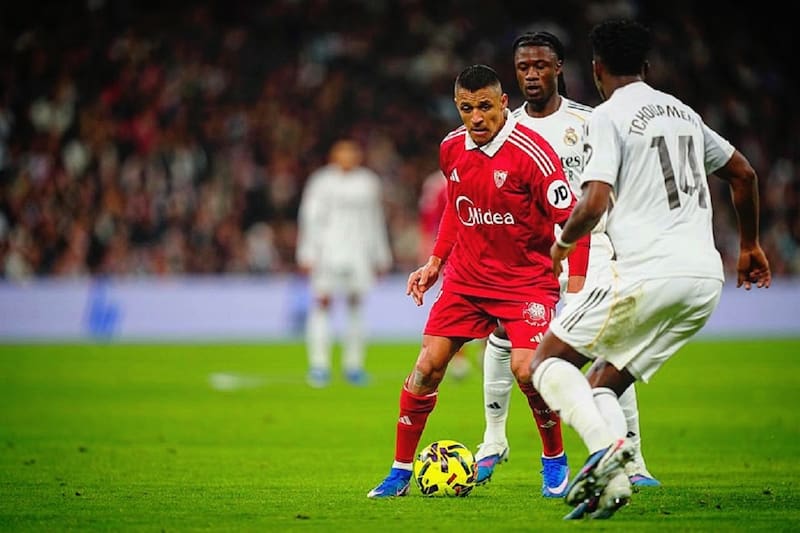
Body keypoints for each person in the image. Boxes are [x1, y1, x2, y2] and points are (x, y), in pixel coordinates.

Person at [528, 18, 771, 519]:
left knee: (546, 363)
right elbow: (743, 173)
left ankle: (602, 453)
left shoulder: (607, 116)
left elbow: (594, 201)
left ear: (596, 69)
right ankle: (616, 482)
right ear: (645, 65)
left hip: (648, 273)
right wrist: (749, 244)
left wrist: (563, 243)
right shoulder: (684, 113)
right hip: (703, 281)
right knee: (604, 383)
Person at [367, 64, 590, 498]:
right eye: (466, 108)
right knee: (426, 368)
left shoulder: (533, 155)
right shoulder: (451, 148)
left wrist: (577, 285)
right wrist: (435, 262)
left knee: (528, 370)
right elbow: (458, 207)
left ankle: (554, 460)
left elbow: (574, 221)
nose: (476, 117)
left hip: (525, 282)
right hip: (466, 281)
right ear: (457, 107)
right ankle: (399, 471)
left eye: (485, 106)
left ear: (503, 103)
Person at [474, 31, 659, 496]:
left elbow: (620, 188)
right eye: (523, 67)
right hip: (529, 254)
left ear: (559, 68)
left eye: (540, 65)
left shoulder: (592, 121)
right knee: (503, 335)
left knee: (609, 349)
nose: (532, 75)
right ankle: (494, 439)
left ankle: (634, 458)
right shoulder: (505, 127)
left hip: (590, 252)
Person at [295, 139, 393, 388]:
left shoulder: (368, 182)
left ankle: (354, 366)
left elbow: (375, 220)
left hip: (359, 254)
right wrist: (306, 253)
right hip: (327, 253)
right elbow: (310, 219)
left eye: (352, 153)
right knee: (322, 304)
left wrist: (381, 255)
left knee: (356, 306)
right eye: (343, 153)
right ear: (333, 156)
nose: (348, 157)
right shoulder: (321, 182)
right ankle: (319, 366)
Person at [417, 169, 477, 381]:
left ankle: (488, 349)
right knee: (457, 304)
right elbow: (429, 220)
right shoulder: (436, 185)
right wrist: (430, 253)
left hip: (484, 251)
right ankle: (460, 358)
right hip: (453, 253)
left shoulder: (481, 173)